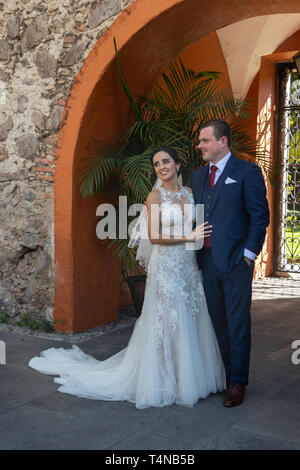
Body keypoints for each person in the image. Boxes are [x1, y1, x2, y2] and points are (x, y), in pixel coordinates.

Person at [28, 146, 226, 409]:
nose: (161, 167)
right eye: (156, 164)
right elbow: (154, 237)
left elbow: (198, 227)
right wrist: (188, 237)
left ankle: (187, 376)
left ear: (178, 165)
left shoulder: (190, 193)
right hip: (166, 266)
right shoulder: (155, 197)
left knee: (189, 316)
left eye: (166, 161)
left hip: (188, 265)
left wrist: (197, 242)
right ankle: (163, 379)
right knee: (167, 318)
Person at [189, 120, 270, 407]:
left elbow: (260, 217)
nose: (200, 146)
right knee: (217, 322)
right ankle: (223, 375)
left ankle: (237, 382)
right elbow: (192, 216)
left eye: (205, 140)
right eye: (200, 141)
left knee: (238, 323)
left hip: (236, 262)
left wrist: (249, 255)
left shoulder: (247, 172)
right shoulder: (197, 177)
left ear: (222, 142)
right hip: (206, 261)